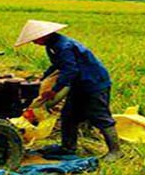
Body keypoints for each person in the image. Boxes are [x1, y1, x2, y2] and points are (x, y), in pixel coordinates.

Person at [14, 20, 121, 160]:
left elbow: (70, 70)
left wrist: (54, 90)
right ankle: (68, 147)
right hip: (79, 84)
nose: (34, 42)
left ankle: (116, 151)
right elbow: (57, 66)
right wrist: (43, 78)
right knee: (69, 116)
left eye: (35, 39)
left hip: (93, 83)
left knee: (99, 116)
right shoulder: (52, 46)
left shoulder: (64, 46)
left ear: (44, 35)